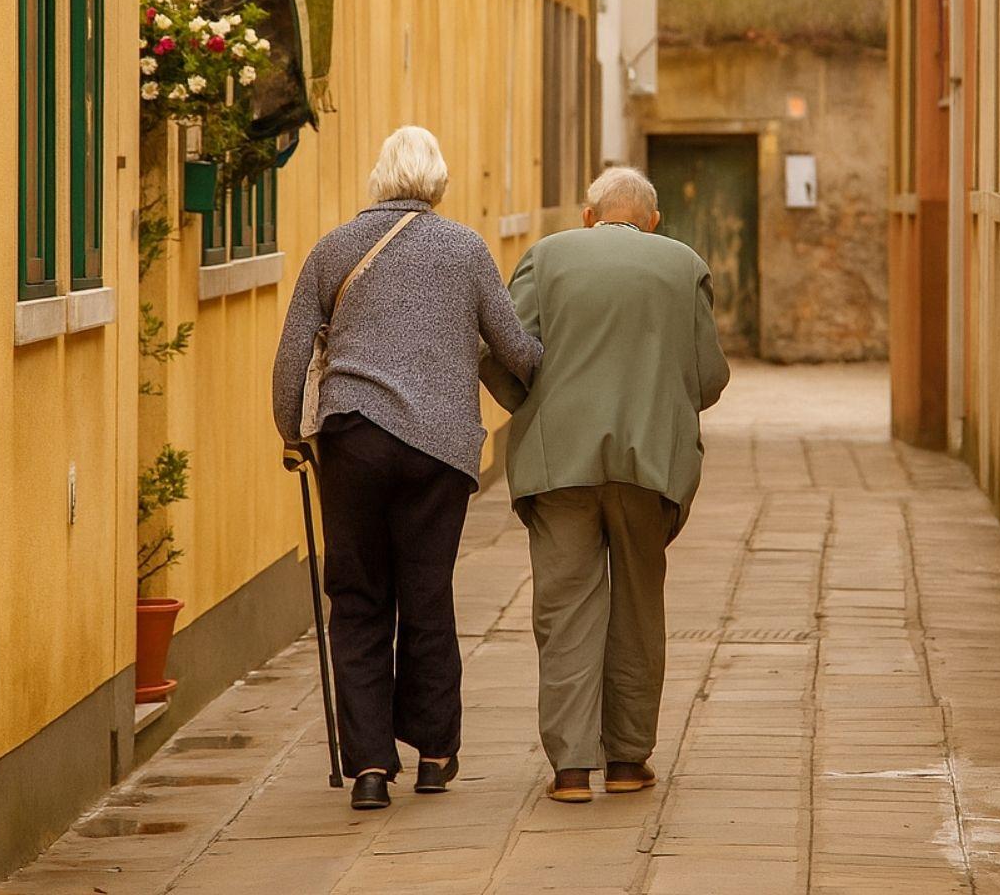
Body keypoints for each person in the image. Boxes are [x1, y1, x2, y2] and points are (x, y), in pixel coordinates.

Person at [273, 125, 542, 810]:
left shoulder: (334, 248)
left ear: (379, 178)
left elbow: (291, 356)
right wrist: (544, 365)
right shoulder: (466, 249)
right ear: (438, 184)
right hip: (439, 452)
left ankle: (368, 767)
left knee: (358, 599)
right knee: (427, 596)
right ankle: (435, 753)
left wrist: (291, 434)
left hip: (353, 440)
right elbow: (514, 346)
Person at [480, 165, 730, 804]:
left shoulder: (547, 257)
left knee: (564, 610)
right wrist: (658, 404)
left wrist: (530, 408)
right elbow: (708, 377)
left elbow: (506, 350)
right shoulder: (683, 265)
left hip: (559, 461)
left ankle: (570, 770)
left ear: (589, 215)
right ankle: (627, 760)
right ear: (652, 221)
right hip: (650, 464)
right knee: (639, 608)